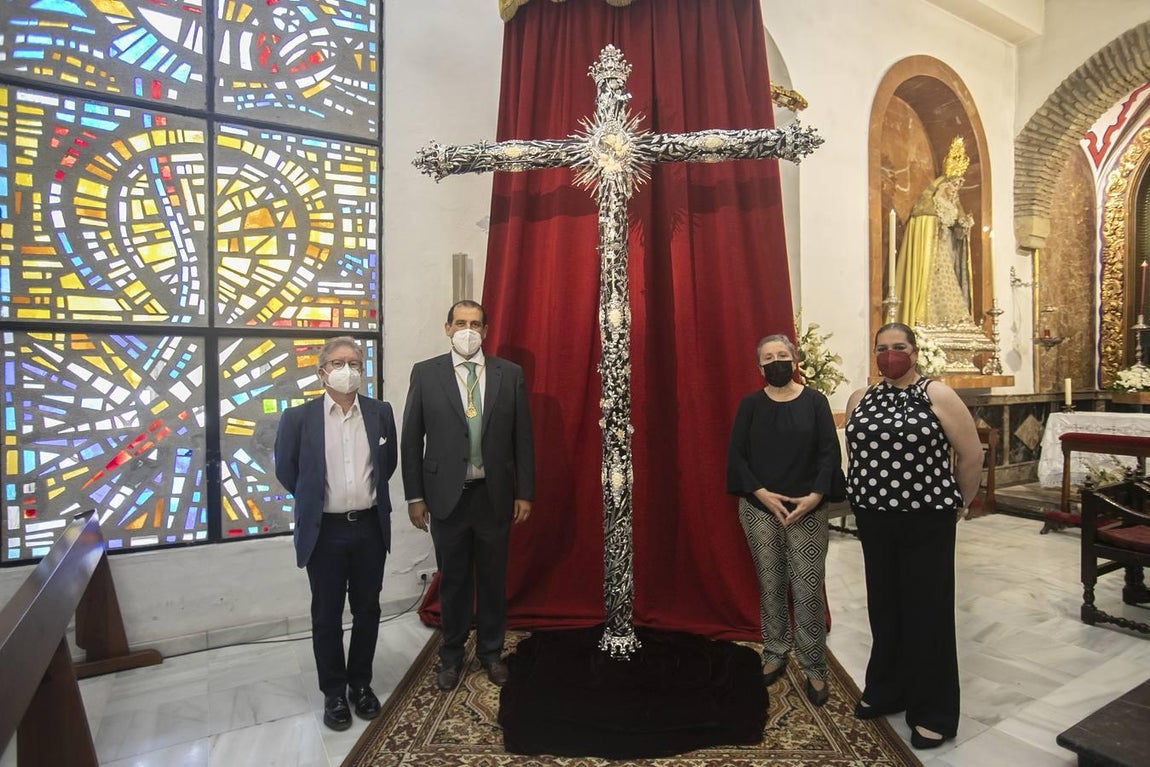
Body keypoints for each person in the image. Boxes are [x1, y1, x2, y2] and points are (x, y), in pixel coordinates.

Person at [844, 322, 982, 750]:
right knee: (885, 608)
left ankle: (933, 710)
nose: (890, 355)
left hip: (927, 519)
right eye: (882, 348)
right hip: (874, 517)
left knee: (927, 613)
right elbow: (857, 450)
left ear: (915, 351)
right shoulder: (860, 397)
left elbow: (972, 453)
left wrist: (960, 503)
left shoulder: (936, 394)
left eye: (899, 347)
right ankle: (888, 689)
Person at [401, 300, 534, 691]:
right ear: (447, 328)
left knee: (493, 579)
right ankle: (452, 654)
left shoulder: (509, 374)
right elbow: (411, 440)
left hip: (493, 495)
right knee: (454, 580)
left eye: (476, 323)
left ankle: (491, 653)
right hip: (446, 497)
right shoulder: (426, 374)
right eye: (460, 322)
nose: (468, 329)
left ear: (487, 331)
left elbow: (522, 439)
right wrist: (414, 497)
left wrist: (524, 492)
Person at [274, 336, 397, 731]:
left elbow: (387, 464)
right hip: (324, 532)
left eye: (355, 362)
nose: (348, 370)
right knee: (326, 615)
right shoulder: (299, 418)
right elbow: (287, 471)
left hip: (369, 529)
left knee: (368, 610)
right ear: (321, 370)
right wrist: (315, 501)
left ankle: (361, 684)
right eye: (339, 362)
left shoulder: (380, 413)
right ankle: (333, 692)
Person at [726, 334, 841, 708]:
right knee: (771, 583)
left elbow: (829, 453)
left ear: (794, 360)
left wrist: (814, 497)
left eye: (782, 355)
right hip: (761, 509)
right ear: (759, 367)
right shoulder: (750, 405)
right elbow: (736, 457)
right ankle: (775, 650)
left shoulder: (815, 402)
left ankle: (813, 663)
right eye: (768, 357)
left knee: (807, 589)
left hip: (807, 509)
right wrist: (761, 493)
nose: (775, 361)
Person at [894, 136, 976, 329]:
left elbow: (958, 232)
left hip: (947, 249)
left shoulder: (954, 205)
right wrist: (937, 225)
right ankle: (925, 320)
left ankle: (952, 323)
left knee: (948, 285)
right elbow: (925, 223)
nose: (956, 189)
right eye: (954, 184)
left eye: (959, 185)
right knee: (932, 283)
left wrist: (964, 225)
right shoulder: (932, 201)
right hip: (931, 248)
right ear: (945, 184)